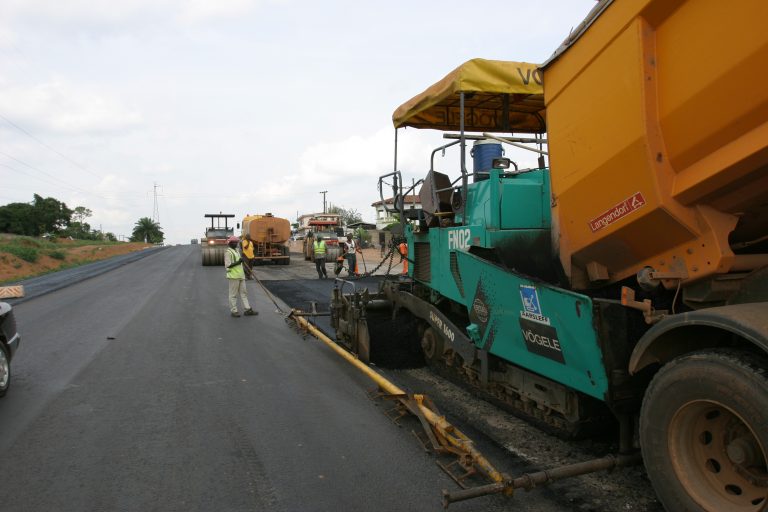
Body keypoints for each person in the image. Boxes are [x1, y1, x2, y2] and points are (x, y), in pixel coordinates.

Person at [224, 235, 257, 317]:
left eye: (236, 242)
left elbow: (241, 262)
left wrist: (244, 265)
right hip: (233, 276)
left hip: (241, 275)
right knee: (233, 295)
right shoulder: (228, 252)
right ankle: (234, 311)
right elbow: (228, 265)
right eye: (234, 242)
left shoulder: (237, 251)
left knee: (244, 293)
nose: (236, 244)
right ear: (230, 243)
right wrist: (238, 262)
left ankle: (247, 309)